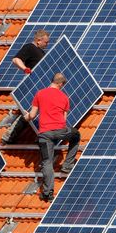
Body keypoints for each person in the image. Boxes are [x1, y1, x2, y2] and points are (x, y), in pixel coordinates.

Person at [28, 72, 80, 202]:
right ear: (61, 84)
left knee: (47, 162)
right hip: (60, 131)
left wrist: (26, 117)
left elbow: (32, 115)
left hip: (45, 134)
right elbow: (64, 119)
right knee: (76, 135)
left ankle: (47, 193)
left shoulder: (40, 93)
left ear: (52, 81)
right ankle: (67, 165)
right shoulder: (64, 97)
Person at [1, 29, 50, 145]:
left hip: (41, 86)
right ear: (38, 41)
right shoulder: (29, 47)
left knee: (39, 111)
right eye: (46, 42)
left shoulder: (42, 52)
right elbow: (16, 59)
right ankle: (8, 137)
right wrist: (25, 69)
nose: (47, 44)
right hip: (33, 85)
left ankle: (40, 135)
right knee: (27, 112)